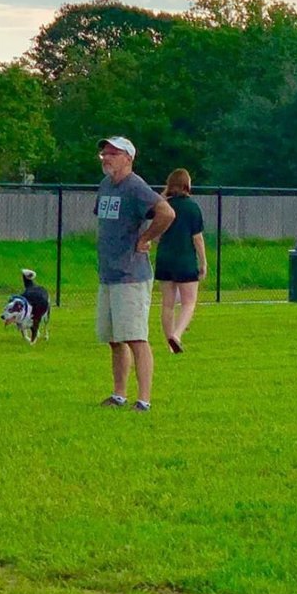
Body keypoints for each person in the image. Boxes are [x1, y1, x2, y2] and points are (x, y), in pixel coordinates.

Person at [94, 136, 174, 411]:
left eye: (113, 153)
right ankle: (119, 394)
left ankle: (144, 400)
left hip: (131, 275)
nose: (106, 158)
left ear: (128, 158)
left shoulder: (135, 187)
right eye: (104, 153)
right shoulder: (106, 186)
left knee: (135, 337)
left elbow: (166, 212)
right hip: (108, 274)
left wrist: (146, 238)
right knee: (114, 339)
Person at [154, 168, 207, 354]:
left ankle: (169, 344)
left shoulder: (164, 206)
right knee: (189, 302)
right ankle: (176, 335)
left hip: (164, 259)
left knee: (167, 303)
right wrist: (203, 262)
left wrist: (164, 194)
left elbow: (156, 233)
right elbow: (197, 238)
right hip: (185, 259)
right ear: (187, 185)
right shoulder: (192, 207)